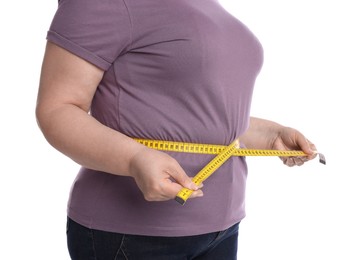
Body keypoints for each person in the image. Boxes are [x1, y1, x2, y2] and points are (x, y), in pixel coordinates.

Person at [36, 0, 318, 259]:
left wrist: (271, 135)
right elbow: (57, 109)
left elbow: (197, 118)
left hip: (223, 226)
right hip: (132, 234)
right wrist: (135, 159)